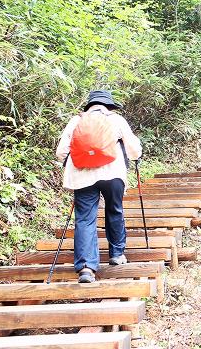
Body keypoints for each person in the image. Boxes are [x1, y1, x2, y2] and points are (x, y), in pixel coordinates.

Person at [56, 90, 142, 283]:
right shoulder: (116, 120)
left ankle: (86, 268)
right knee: (114, 209)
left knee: (85, 219)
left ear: (89, 106)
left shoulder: (76, 121)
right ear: (109, 106)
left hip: (82, 174)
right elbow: (134, 149)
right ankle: (117, 254)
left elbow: (61, 152)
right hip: (113, 172)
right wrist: (136, 156)